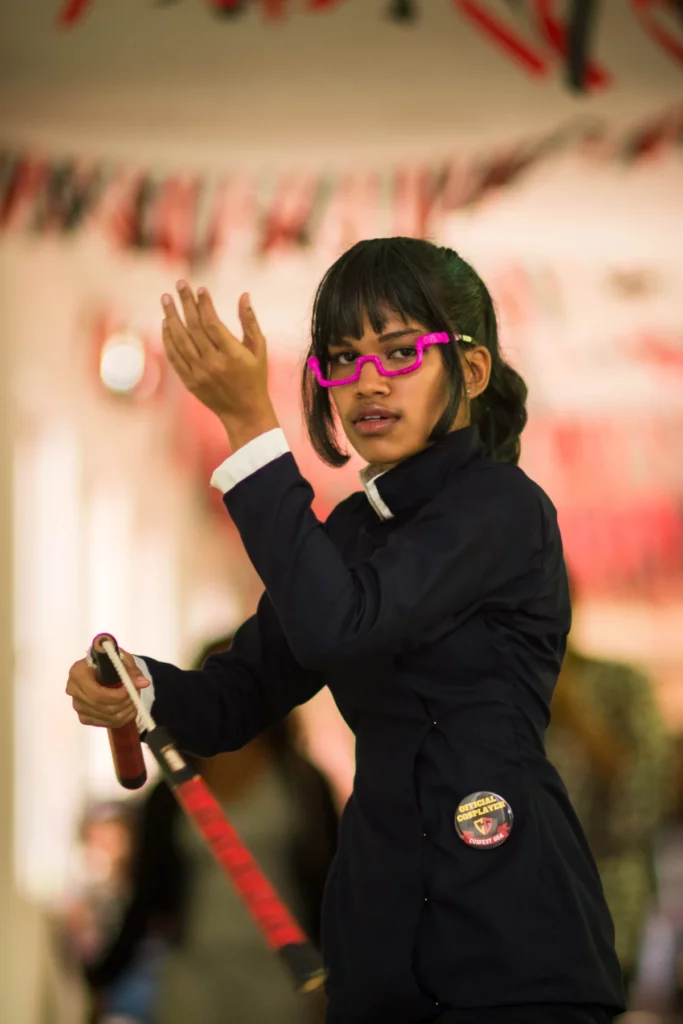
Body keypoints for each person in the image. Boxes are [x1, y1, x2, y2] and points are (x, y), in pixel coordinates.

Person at [67, 237, 626, 1024]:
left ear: (469, 370)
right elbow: (236, 697)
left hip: (511, 936)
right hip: (379, 943)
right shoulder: (351, 534)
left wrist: (248, 424)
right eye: (342, 358)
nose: (366, 380)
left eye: (399, 352)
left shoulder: (501, 508)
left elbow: (342, 628)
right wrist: (137, 685)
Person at [84, 636, 338, 1024]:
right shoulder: (170, 790)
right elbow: (146, 890)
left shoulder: (302, 784)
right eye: (217, 686)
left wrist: (338, 977)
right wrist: (102, 979)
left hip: (285, 980)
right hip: (194, 977)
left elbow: (332, 884)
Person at [546, 630, 671, 994]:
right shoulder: (488, 688)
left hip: (605, 902)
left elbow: (645, 795)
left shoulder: (622, 684)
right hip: (505, 916)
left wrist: (575, 712)